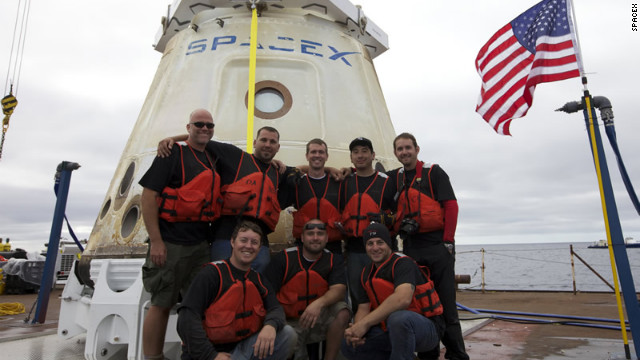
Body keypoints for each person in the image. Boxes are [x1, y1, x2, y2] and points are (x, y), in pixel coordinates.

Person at [139, 108, 221, 360]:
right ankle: (153, 357)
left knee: (197, 305)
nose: (204, 128)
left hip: (199, 245)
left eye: (209, 125)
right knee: (161, 303)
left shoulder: (211, 156)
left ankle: (194, 353)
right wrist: (156, 242)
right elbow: (149, 196)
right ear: (189, 127)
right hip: (170, 243)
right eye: (199, 124)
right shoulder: (171, 154)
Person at [159, 126, 297, 272]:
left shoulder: (279, 172)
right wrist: (173, 139)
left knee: (255, 284)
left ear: (278, 147)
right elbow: (201, 140)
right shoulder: (235, 156)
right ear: (255, 142)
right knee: (220, 280)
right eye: (263, 140)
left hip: (259, 242)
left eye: (272, 142)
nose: (268, 145)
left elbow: (303, 171)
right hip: (225, 237)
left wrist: (282, 163)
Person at [387, 132, 468, 360]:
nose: (404, 152)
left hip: (437, 245)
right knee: (422, 304)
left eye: (408, 148)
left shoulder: (434, 173)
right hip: (412, 246)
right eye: (400, 149)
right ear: (395, 153)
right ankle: (428, 354)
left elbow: (451, 206)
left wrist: (448, 242)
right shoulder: (395, 178)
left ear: (417, 149)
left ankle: (457, 354)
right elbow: (368, 176)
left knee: (446, 304)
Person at [177, 220, 297, 360]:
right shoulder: (211, 275)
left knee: (287, 334)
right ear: (233, 242)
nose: (248, 246)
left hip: (242, 350)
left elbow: (276, 308)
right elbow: (186, 319)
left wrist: (270, 325)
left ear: (259, 248)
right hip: (209, 354)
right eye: (243, 240)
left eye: (254, 242)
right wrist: (211, 355)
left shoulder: (258, 280)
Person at [341, 223, 444, 360]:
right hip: (390, 331)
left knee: (399, 319)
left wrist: (365, 323)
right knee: (349, 345)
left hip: (426, 330)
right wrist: (357, 331)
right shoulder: (366, 273)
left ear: (389, 244)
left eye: (380, 242)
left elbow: (403, 299)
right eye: (370, 243)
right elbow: (363, 308)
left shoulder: (403, 264)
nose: (375, 248)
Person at [264, 219, 350, 360]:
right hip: (290, 320)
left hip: (319, 317)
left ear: (327, 238)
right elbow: (268, 296)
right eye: (310, 233)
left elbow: (339, 290)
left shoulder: (333, 259)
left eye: (320, 234)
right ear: (302, 238)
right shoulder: (283, 259)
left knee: (343, 311)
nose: (315, 238)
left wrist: (318, 303)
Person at [340, 137, 395, 305]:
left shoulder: (387, 182)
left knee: (385, 293)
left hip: (382, 249)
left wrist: (388, 219)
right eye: (355, 152)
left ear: (373, 155)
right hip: (355, 250)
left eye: (364, 151)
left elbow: (398, 213)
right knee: (358, 297)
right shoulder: (344, 181)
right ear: (351, 157)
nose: (360, 155)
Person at [286, 138, 343, 254]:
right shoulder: (296, 183)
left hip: (332, 246)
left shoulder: (339, 183)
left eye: (321, 152)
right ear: (307, 156)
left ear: (327, 156)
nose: (317, 155)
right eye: (313, 152)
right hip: (304, 246)